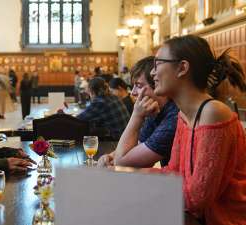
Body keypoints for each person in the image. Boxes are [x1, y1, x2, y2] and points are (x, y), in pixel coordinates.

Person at [150, 35, 246, 224]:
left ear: (182, 68)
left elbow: (197, 198)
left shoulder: (213, 112)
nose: (152, 73)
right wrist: (122, 173)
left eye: (158, 64)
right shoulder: (183, 114)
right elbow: (173, 172)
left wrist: (139, 186)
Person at [98, 56, 179, 167]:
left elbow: (124, 164)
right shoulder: (155, 111)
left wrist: (136, 116)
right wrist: (110, 156)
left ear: (157, 84)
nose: (133, 92)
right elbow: (138, 146)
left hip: (176, 183)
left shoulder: (174, 116)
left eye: (139, 86)